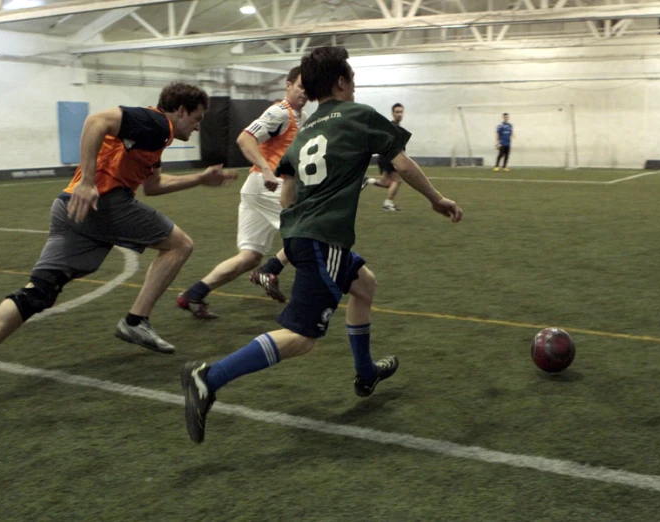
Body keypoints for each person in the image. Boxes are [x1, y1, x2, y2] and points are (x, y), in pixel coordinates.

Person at [180, 46, 463, 444]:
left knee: (365, 285)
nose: (355, 86)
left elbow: (286, 196)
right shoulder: (360, 115)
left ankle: (366, 374)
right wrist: (437, 198)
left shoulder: (305, 130)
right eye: (353, 79)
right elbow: (401, 164)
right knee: (301, 338)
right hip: (323, 241)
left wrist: (296, 240)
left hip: (299, 236)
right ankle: (209, 378)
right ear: (342, 82)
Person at [0, 82, 239, 417]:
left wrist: (199, 179)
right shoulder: (156, 123)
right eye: (197, 117)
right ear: (180, 110)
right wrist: (89, 181)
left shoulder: (156, 137)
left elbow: (153, 187)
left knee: (39, 292)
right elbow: (95, 121)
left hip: (69, 208)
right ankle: (136, 320)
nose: (198, 126)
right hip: (103, 203)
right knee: (180, 244)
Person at [177, 67, 308, 317]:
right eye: (301, 85)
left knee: (249, 257)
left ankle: (193, 294)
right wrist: (267, 170)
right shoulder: (280, 111)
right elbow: (245, 139)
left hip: (257, 188)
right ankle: (271, 270)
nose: (305, 91)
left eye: (309, 87)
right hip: (268, 185)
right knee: (311, 228)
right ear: (288, 85)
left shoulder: (299, 117)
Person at [361, 103, 408, 211]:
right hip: (388, 158)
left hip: (385, 158)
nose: (399, 114)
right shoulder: (392, 128)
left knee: (387, 183)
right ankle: (388, 203)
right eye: (397, 112)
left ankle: (368, 180)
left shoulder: (398, 128)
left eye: (401, 112)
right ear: (392, 113)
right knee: (397, 181)